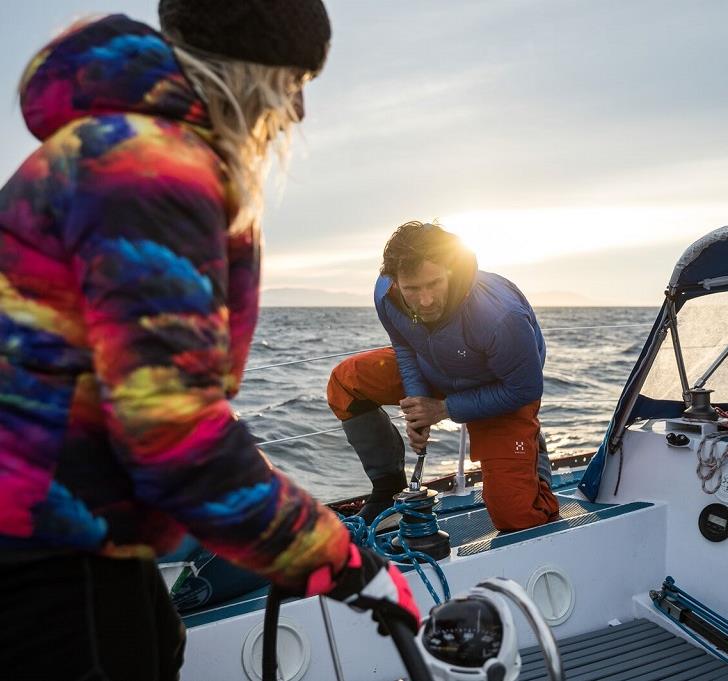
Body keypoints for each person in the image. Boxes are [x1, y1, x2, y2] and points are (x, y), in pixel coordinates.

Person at [0, 3, 419, 679]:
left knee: (160, 641)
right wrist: (347, 563)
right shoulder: (151, 167)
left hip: (69, 526)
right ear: (250, 71)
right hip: (44, 544)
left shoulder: (108, 146)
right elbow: (172, 436)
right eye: (293, 82)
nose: (299, 111)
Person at [328, 221, 560, 530]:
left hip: (500, 388)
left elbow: (525, 389)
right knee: (346, 381)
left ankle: (534, 459)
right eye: (412, 289)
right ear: (395, 281)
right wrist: (416, 405)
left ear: (450, 270)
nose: (425, 301)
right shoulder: (386, 294)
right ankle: (387, 493)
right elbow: (405, 347)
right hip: (435, 368)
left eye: (434, 283)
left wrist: (442, 409)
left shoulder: (500, 316)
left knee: (517, 517)